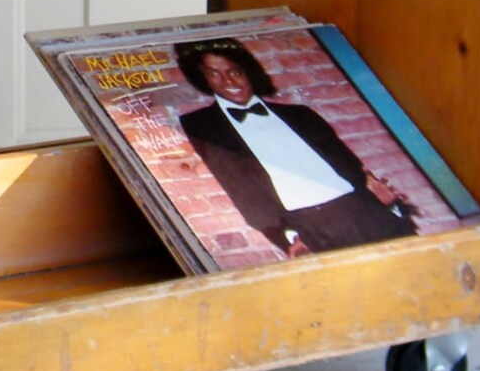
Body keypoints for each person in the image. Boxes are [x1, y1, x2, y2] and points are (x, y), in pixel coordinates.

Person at [174, 38, 416, 257]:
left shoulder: (302, 115)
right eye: (214, 73)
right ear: (201, 77)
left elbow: (351, 166)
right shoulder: (202, 126)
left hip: (361, 211)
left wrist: (383, 200)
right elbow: (240, 190)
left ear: (250, 71)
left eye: (235, 71)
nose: (228, 81)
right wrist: (288, 238)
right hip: (307, 228)